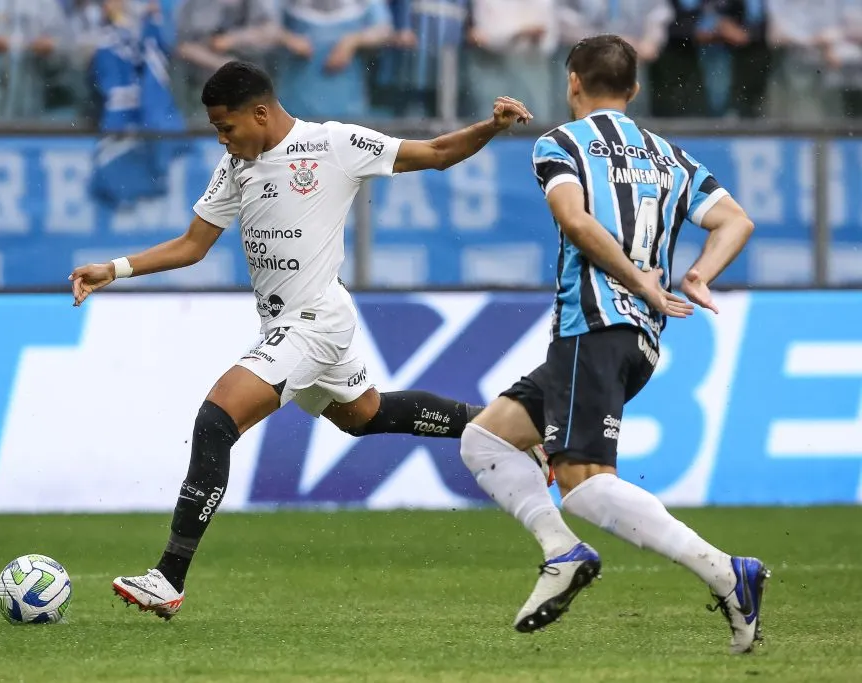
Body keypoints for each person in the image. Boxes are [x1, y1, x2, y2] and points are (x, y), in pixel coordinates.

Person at [68, 59, 534, 620]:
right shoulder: (236, 165)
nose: (222, 139)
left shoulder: (334, 144)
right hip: (285, 323)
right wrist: (112, 269)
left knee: (216, 421)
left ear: (260, 113)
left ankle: (168, 577)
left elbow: (433, 153)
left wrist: (492, 125)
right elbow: (193, 245)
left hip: (315, 320)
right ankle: (511, 427)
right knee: (365, 415)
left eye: (227, 127)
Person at [458, 34, 767, 655]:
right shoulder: (669, 156)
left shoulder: (561, 143)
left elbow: (575, 220)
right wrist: (699, 273)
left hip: (595, 327)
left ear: (573, 81)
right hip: (636, 341)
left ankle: (726, 572)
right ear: (634, 88)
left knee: (584, 482)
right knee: (486, 439)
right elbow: (737, 220)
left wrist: (640, 285)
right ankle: (561, 550)